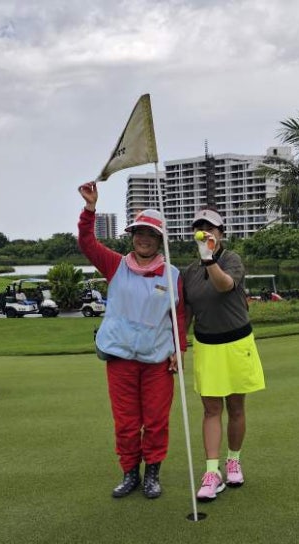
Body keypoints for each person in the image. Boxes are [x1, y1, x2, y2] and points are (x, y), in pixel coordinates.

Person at [77, 182, 186, 500]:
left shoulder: (172, 275)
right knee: (126, 422)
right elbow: (87, 243)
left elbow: (178, 316)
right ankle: (130, 473)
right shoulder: (115, 265)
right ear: (132, 236)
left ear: (159, 240)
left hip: (157, 359)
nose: (143, 238)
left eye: (150, 234)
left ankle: (152, 472)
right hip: (120, 356)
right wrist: (90, 210)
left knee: (155, 421)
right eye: (139, 232)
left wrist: (180, 348)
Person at [182, 208, 266, 502]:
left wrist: (210, 259)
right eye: (200, 227)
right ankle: (212, 472)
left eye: (211, 228)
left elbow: (224, 285)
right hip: (207, 346)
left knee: (237, 407)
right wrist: (178, 346)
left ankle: (233, 460)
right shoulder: (189, 272)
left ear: (221, 233)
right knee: (211, 410)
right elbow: (187, 314)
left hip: (237, 342)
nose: (206, 232)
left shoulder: (231, 259)